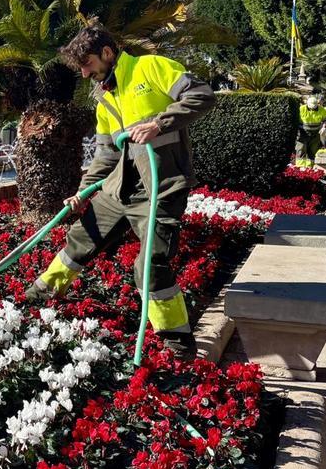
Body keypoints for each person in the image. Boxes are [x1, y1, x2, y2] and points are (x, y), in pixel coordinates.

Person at [25, 23, 215, 357]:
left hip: (161, 188)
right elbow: (107, 154)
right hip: (118, 190)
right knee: (80, 238)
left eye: (87, 64)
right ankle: (36, 298)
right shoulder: (104, 98)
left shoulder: (150, 67)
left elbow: (202, 94)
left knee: (151, 263)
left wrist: (159, 123)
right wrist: (83, 191)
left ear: (107, 53)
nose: (84, 73)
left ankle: (177, 345)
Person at [295, 95, 326, 167]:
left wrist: (324, 127)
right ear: (307, 104)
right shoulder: (301, 109)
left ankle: (310, 168)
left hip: (315, 133)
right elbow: (295, 119)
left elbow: (325, 119)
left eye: (314, 107)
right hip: (303, 133)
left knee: (313, 151)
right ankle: (300, 167)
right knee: (301, 149)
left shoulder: (321, 109)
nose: (313, 108)